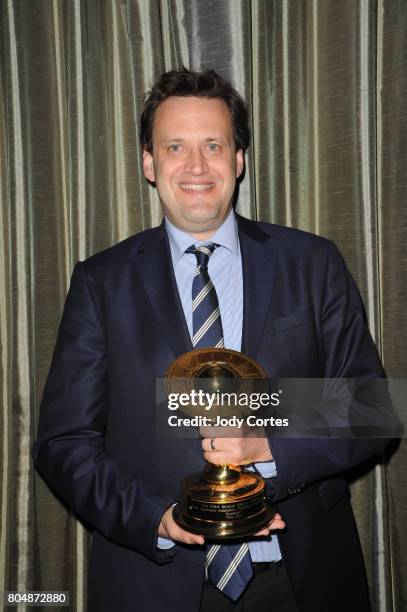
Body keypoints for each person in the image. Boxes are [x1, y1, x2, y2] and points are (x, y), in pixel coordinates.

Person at [33, 68, 391, 612]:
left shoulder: (312, 263)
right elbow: (64, 443)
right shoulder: (100, 282)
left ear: (239, 160)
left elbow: (373, 407)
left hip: (301, 581)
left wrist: (268, 440)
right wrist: (156, 518)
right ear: (149, 163)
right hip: (154, 584)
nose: (196, 166)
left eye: (213, 145)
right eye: (175, 146)